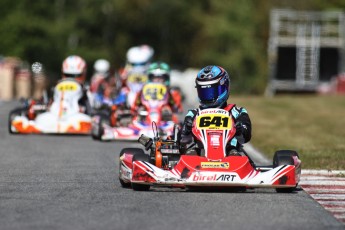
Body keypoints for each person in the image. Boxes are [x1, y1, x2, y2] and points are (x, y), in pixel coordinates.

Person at [179, 65, 251, 155]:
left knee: (234, 154)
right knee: (190, 154)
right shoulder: (194, 114)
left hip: (229, 153)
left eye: (211, 92)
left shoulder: (237, 112)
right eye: (204, 92)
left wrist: (240, 129)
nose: (208, 96)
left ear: (224, 87)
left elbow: (246, 137)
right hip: (200, 154)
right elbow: (183, 140)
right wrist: (186, 129)